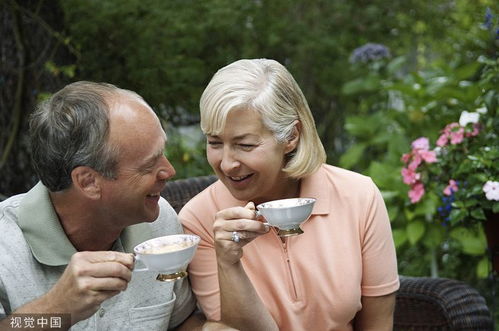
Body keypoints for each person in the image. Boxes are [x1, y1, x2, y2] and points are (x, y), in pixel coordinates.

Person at [179, 59, 400, 330]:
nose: (226, 164)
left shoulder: (358, 197)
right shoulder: (199, 220)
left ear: (291, 136)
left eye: (245, 145)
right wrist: (229, 262)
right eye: (214, 143)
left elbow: (378, 324)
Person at [0, 81, 230, 330]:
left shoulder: (159, 221)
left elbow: (182, 322)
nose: (170, 171)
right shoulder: (6, 245)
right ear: (88, 182)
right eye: (148, 165)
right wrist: (57, 308)